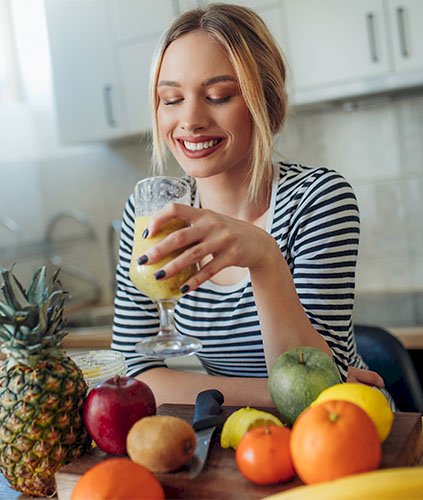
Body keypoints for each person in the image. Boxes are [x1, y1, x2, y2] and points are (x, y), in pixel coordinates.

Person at [111, 3, 384, 406]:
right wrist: (279, 394)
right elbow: (130, 377)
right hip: (240, 434)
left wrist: (265, 257)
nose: (190, 120)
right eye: (171, 98)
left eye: (218, 96)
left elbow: (320, 392)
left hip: (339, 434)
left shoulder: (319, 200)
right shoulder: (151, 210)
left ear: (266, 101)